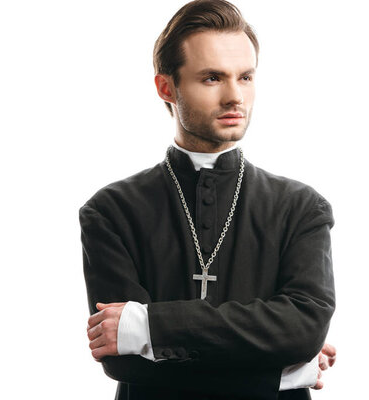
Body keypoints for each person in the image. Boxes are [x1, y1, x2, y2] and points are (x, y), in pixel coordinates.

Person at [81, 1, 336, 399]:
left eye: (246, 77)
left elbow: (303, 329)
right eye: (213, 78)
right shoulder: (112, 211)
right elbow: (124, 361)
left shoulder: (302, 207)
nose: (236, 96)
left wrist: (149, 328)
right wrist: (282, 374)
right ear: (167, 87)